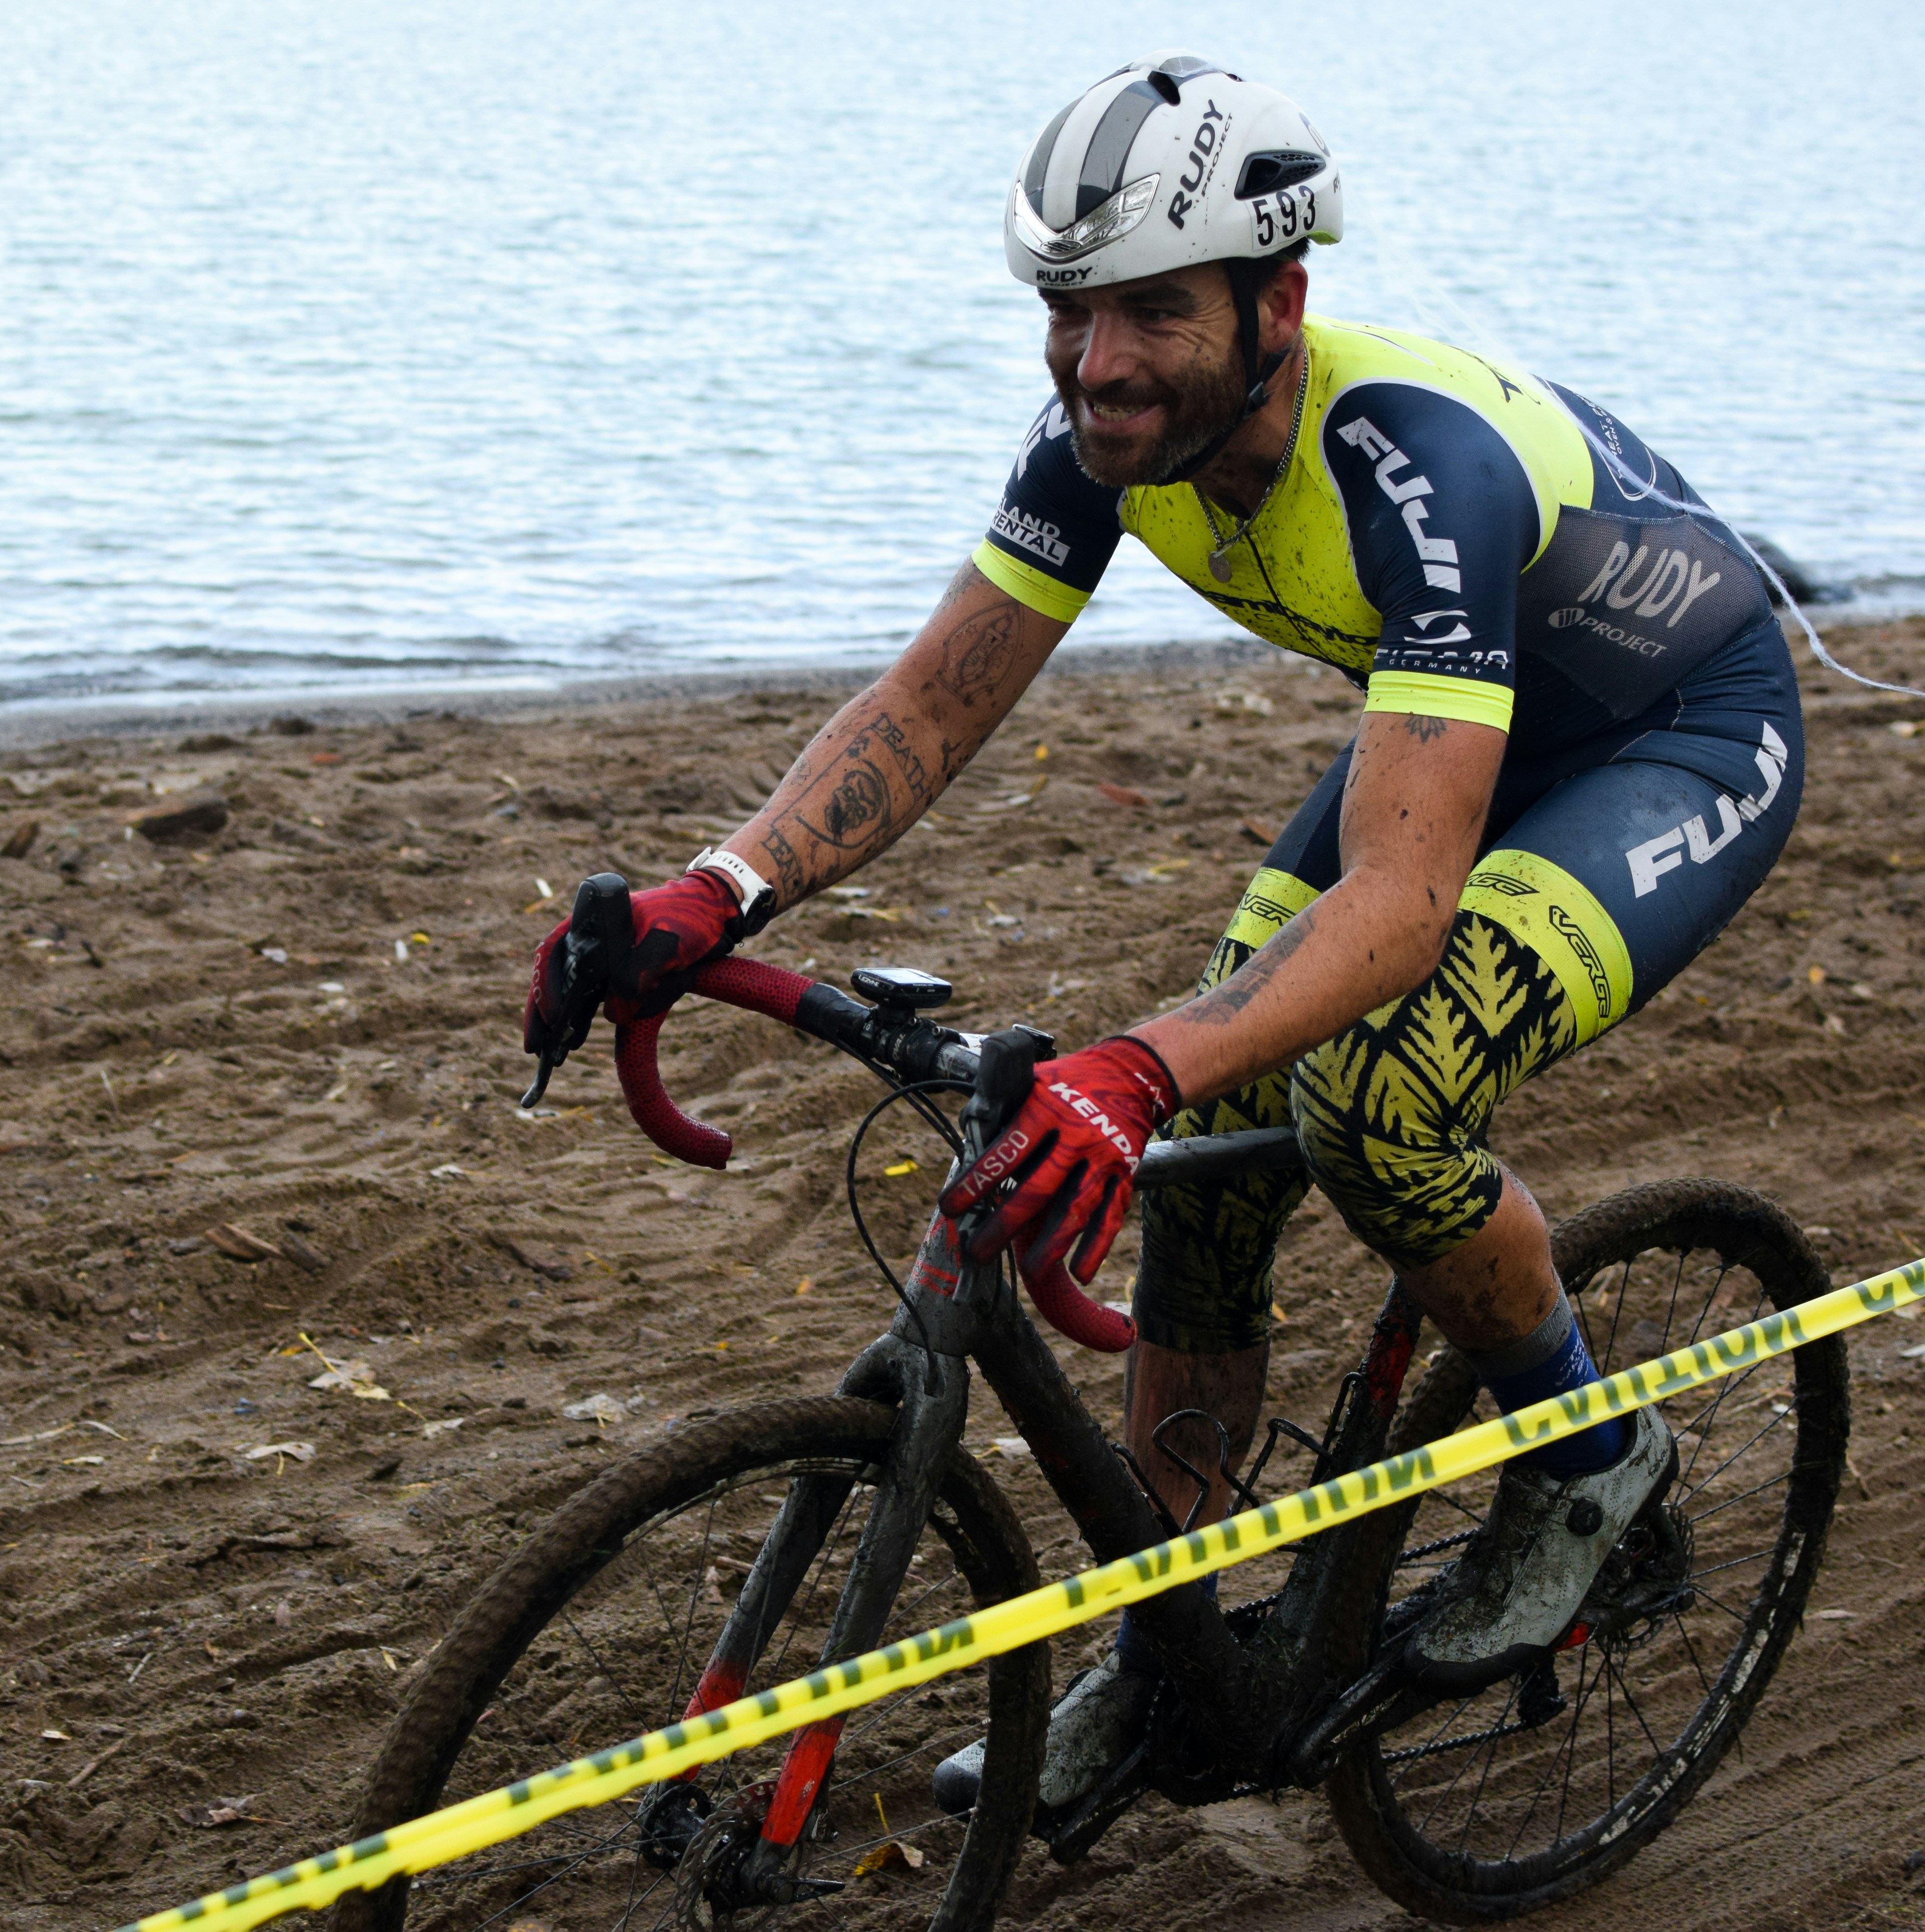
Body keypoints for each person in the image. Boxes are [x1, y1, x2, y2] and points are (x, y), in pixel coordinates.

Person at [520, 52, 1800, 1837]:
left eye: (1149, 315)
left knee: (1383, 1093)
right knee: (1198, 1159)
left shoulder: (1411, 468)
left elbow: (1403, 913)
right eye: (1067, 313)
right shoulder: (1106, 442)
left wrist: (1131, 1059)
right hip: (1449, 725)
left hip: (1669, 737)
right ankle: (1172, 1643)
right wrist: (712, 893)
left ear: (1278, 304)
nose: (1096, 364)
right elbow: (933, 704)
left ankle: (1595, 1452)